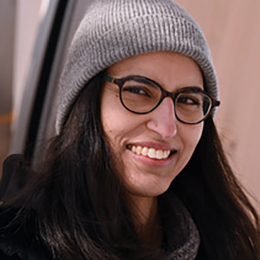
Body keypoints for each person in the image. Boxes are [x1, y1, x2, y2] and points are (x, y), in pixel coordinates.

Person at [0, 0, 259, 259]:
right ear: (85, 102)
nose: (167, 128)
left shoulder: (231, 245)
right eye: (138, 91)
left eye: (188, 100)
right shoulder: (15, 245)